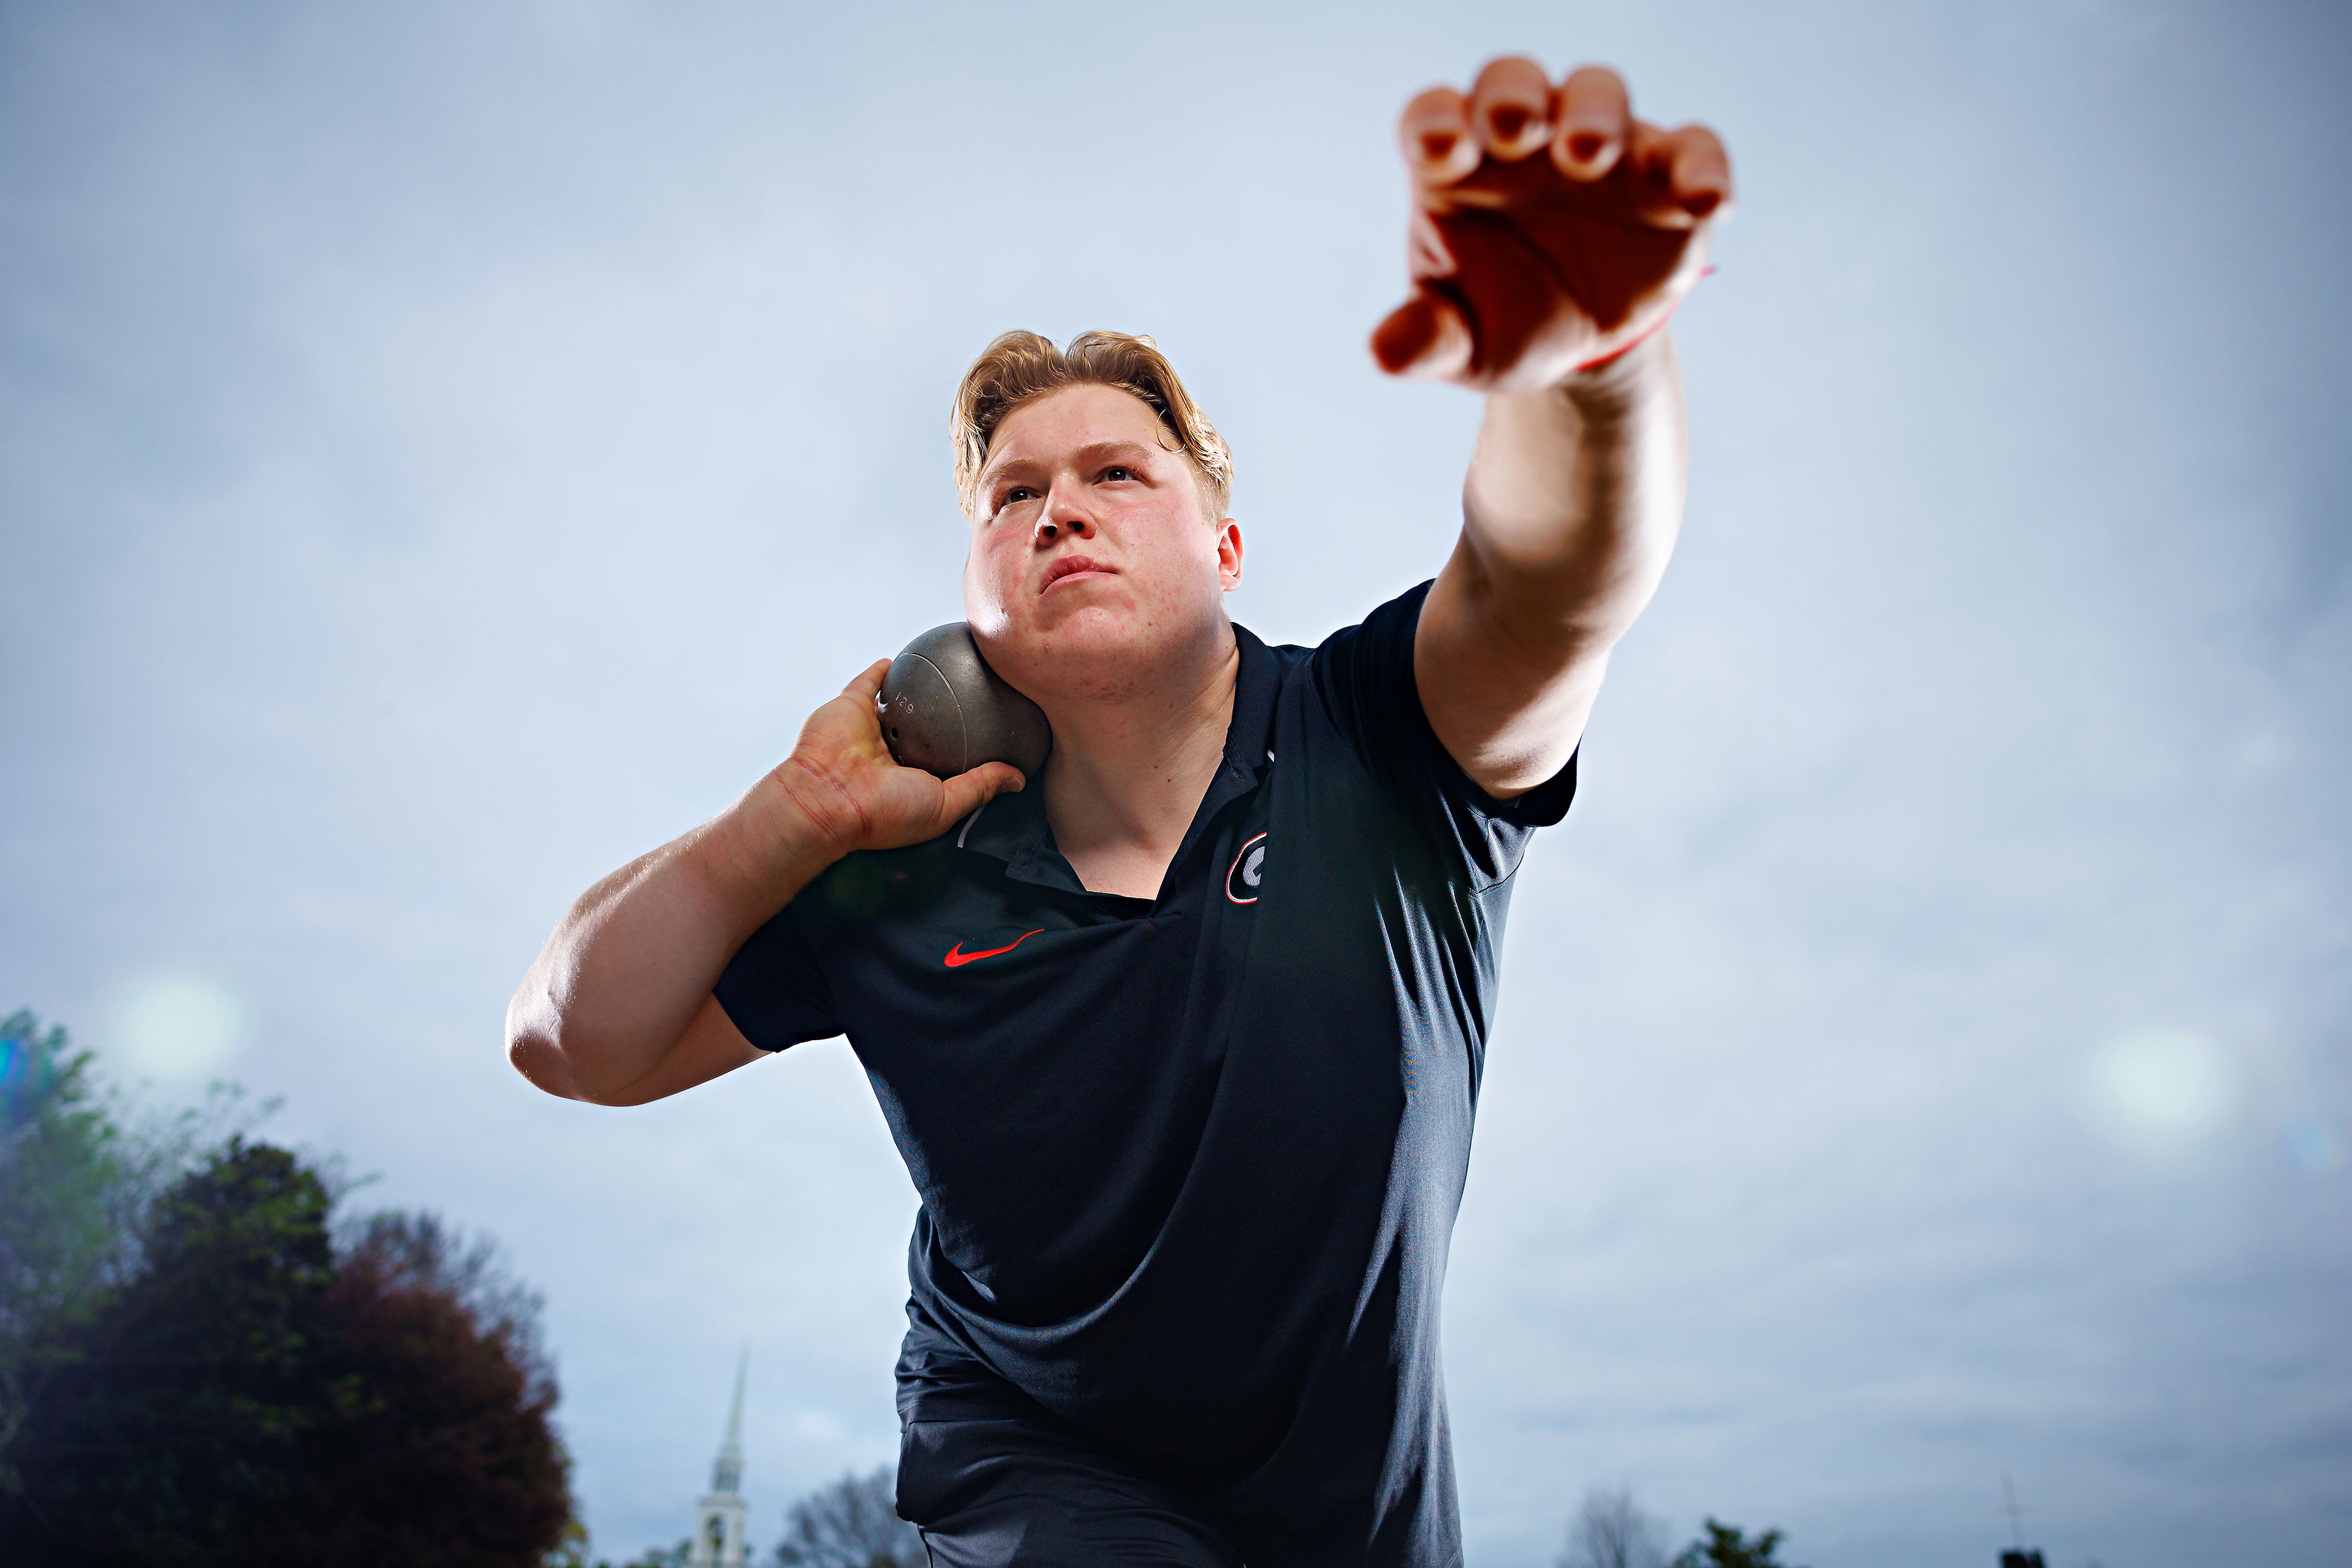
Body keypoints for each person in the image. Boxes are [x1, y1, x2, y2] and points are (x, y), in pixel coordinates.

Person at [508, 56, 1729, 1568]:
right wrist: (792, 815)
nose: (1058, 511)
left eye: (1114, 473)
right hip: (1029, 1474)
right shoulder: (890, 858)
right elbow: (569, 1041)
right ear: (972, 586)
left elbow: (1550, 582)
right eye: (1011, 496)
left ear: (1226, 545)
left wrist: (1593, 361)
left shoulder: (1377, 742)